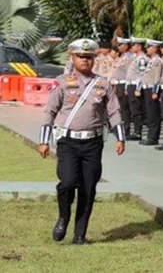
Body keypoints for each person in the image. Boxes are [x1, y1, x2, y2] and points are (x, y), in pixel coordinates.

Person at [37, 39, 126, 244]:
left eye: (89, 57)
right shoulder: (62, 82)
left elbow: (113, 111)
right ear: (72, 58)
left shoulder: (103, 84)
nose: (85, 60)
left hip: (93, 143)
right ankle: (63, 217)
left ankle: (80, 234)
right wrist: (43, 141)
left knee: (88, 187)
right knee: (67, 182)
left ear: (94, 59)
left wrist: (120, 137)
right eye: (80, 56)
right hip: (68, 142)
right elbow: (50, 111)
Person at [141, 39, 163, 146]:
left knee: (153, 114)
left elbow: (157, 77)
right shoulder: (152, 60)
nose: (147, 49)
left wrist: (155, 91)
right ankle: (150, 136)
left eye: (149, 47)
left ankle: (153, 137)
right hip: (147, 89)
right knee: (149, 114)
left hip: (152, 90)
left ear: (154, 48)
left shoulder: (157, 61)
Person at [126, 37, 148, 141]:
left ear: (139, 47)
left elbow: (142, 75)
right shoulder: (136, 58)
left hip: (136, 86)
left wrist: (138, 88)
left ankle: (138, 132)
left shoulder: (142, 59)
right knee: (133, 109)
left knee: (136, 109)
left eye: (134, 45)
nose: (132, 47)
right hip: (131, 85)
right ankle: (136, 131)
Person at [111, 38, 133, 135]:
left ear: (126, 46)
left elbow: (129, 73)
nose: (119, 47)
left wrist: (125, 87)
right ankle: (123, 127)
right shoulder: (123, 57)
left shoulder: (128, 58)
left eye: (121, 45)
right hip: (119, 83)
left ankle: (126, 128)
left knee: (125, 108)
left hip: (124, 83)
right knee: (121, 107)